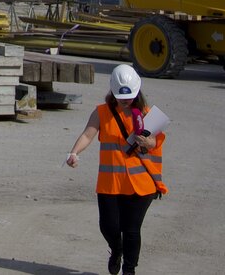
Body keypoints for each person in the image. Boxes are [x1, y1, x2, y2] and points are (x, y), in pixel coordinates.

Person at [63, 63, 166, 275]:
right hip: (110, 184)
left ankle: (129, 271)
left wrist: (148, 143)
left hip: (140, 185)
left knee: (131, 230)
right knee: (108, 227)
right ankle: (116, 249)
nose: (125, 100)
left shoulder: (146, 114)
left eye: (129, 96)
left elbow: (156, 142)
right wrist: (74, 153)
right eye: (120, 96)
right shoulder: (102, 112)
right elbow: (87, 135)